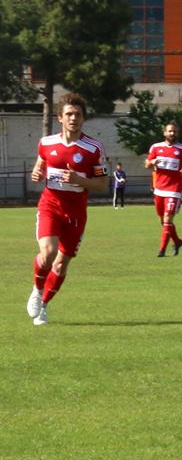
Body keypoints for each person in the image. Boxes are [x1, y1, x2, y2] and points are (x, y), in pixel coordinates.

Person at [27, 93, 109, 326]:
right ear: (60, 118)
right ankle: (36, 288)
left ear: (84, 119)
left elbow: (102, 184)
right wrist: (37, 173)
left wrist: (78, 179)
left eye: (78, 115)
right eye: (69, 114)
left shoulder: (94, 148)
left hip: (76, 212)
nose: (74, 118)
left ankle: (43, 306)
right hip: (50, 205)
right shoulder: (46, 143)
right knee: (48, 252)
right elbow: (41, 164)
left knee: (61, 264)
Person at [145, 121, 182, 256]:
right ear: (165, 133)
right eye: (170, 131)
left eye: (175, 131)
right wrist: (152, 162)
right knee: (163, 221)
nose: (172, 133)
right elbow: (147, 164)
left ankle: (162, 250)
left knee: (167, 219)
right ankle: (177, 241)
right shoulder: (155, 147)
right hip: (159, 189)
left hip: (174, 189)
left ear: (178, 134)